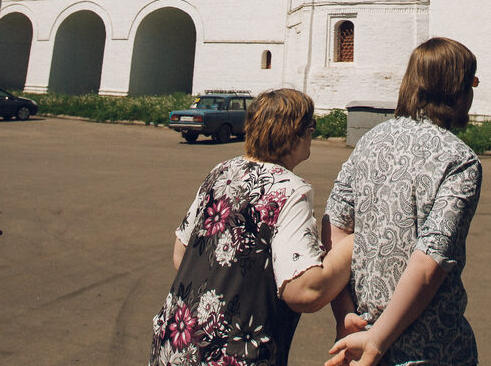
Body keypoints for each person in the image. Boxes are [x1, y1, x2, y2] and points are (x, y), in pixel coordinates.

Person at [150, 87, 355, 366]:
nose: (312, 135)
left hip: (176, 343)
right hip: (231, 356)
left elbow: (182, 254)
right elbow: (304, 291)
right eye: (310, 127)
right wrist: (356, 242)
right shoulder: (288, 190)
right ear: (293, 135)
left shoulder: (222, 171)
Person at [325, 37, 482, 366]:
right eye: (472, 82)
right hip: (430, 347)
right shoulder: (459, 160)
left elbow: (333, 229)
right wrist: (378, 340)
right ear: (457, 88)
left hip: (359, 335)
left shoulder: (369, 142)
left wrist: (345, 315)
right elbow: (429, 263)